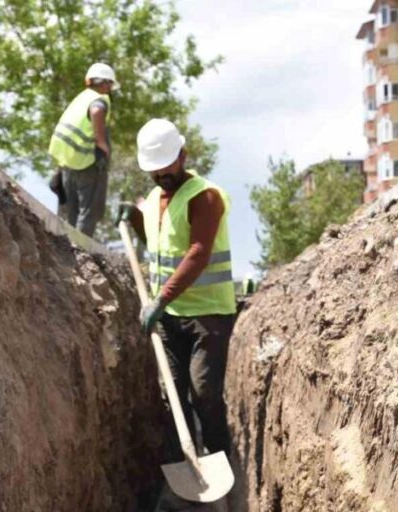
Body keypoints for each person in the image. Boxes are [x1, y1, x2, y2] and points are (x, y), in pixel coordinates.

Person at [117, 119, 237, 507]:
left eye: (167, 167)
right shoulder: (153, 200)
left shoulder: (206, 196)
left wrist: (161, 299)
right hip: (169, 318)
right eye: (155, 170)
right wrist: (131, 219)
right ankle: (179, 477)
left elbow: (198, 252)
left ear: (183, 156)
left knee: (204, 393)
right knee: (171, 396)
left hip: (208, 316)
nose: (162, 175)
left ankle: (221, 468)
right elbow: (157, 237)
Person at [48, 62, 118, 237]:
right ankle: (80, 251)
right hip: (84, 160)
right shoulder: (100, 100)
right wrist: (102, 143)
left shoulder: (82, 97)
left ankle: (65, 245)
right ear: (106, 83)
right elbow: (96, 111)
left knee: (69, 210)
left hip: (66, 160)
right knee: (89, 210)